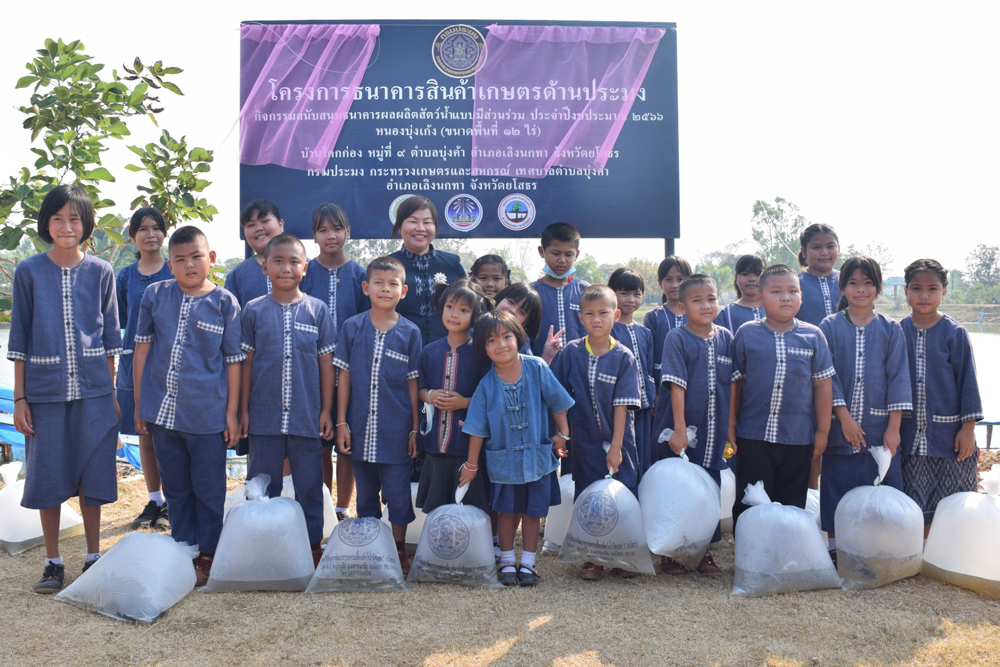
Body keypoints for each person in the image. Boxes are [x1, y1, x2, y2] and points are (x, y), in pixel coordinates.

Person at [9, 185, 123, 593]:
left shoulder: (101, 272)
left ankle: (93, 556)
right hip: (44, 393)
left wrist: (110, 393)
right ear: (46, 223)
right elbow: (19, 337)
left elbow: (111, 336)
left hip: (94, 391)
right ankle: (53, 562)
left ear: (86, 224)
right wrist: (20, 398)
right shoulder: (28, 271)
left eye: (75, 218)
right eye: (58, 218)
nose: (66, 226)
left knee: (93, 471)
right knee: (48, 475)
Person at [133, 226, 244, 586]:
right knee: (176, 487)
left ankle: (210, 555)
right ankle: (183, 548)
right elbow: (143, 350)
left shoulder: (225, 302)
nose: (189, 265)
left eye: (196, 256)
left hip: (208, 414)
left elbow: (233, 362)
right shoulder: (154, 296)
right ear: (170, 264)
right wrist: (139, 404)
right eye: (179, 259)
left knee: (209, 488)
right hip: (163, 413)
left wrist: (232, 414)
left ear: (211, 259)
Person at [239, 234, 337, 567]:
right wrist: (242, 411)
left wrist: (326, 410)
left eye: (294, 261)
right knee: (262, 488)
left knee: (310, 485)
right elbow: (246, 364)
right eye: (277, 261)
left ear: (305, 268)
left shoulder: (317, 311)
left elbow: (326, 363)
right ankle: (262, 545)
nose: (286, 268)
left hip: (306, 418)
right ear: (265, 266)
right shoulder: (252, 311)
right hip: (263, 418)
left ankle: (311, 547)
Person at [461, 311, 574, 587]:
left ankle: (528, 563)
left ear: (518, 338)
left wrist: (563, 435)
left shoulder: (537, 367)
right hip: (504, 463)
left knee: (534, 513)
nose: (501, 344)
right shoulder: (486, 385)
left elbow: (558, 402)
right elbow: (477, 428)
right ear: (483, 348)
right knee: (507, 512)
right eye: (491, 340)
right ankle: (508, 561)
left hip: (537, 459)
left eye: (507, 336)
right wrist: (471, 465)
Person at [818, 257, 911, 565]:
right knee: (837, 483)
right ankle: (835, 547)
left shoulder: (890, 328)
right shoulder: (829, 327)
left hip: (879, 426)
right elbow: (826, 374)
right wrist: (843, 417)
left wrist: (893, 428)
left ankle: (876, 547)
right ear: (842, 287)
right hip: (837, 424)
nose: (861, 289)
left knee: (880, 482)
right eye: (853, 283)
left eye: (868, 282)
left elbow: (898, 377)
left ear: (878, 287)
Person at [334, 256, 422, 575]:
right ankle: (372, 549)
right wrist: (341, 422)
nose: (386, 289)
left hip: (395, 432)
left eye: (393, 284)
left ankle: (398, 551)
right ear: (366, 287)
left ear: (404, 290)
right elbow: (343, 376)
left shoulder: (410, 333)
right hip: (358, 428)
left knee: (398, 495)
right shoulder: (352, 327)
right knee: (366, 495)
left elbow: (413, 383)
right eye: (379, 283)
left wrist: (414, 428)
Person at [728, 265, 835, 525]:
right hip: (753, 435)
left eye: (792, 291)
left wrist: (822, 431)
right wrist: (731, 425)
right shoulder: (747, 333)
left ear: (801, 296)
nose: (786, 297)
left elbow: (822, 385)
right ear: (760, 298)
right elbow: (736, 383)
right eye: (776, 291)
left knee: (791, 503)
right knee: (751, 499)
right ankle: (751, 558)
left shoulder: (813, 335)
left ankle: (784, 558)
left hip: (797, 437)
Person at [550, 285, 641, 581]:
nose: (596, 319)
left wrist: (616, 447)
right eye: (589, 313)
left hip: (620, 441)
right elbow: (558, 396)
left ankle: (621, 555)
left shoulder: (624, 356)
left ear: (616, 315)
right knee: (587, 495)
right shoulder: (572, 353)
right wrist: (562, 433)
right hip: (584, 441)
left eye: (603, 313)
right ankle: (591, 557)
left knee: (622, 494)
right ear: (580, 317)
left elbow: (622, 406)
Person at [653, 274, 733, 575]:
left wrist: (731, 431)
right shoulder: (678, 337)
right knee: (677, 489)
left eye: (711, 298)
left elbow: (733, 385)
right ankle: (671, 551)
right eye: (697, 300)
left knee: (708, 490)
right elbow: (676, 385)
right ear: (682, 307)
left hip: (715, 433)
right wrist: (679, 428)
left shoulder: (726, 337)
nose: (706, 305)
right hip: (682, 430)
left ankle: (703, 552)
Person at [899, 259, 983, 540]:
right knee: (913, 496)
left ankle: (948, 551)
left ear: (944, 292)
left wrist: (968, 428)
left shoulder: (954, 333)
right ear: (905, 291)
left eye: (932, 288)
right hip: (908, 435)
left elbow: (967, 383)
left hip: (948, 435)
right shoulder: (897, 331)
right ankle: (919, 551)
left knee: (952, 498)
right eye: (917, 288)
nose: (924, 295)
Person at [300, 203, 368, 521]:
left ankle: (342, 509)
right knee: (321, 442)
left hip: (352, 371)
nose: (331, 236)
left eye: (337, 228)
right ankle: (324, 508)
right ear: (313, 235)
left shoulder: (360, 275)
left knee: (348, 442)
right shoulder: (304, 272)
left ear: (348, 232)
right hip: (311, 372)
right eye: (323, 230)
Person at [116, 207, 173, 531]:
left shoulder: (175, 267)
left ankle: (175, 500)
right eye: (143, 228)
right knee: (145, 432)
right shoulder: (125, 276)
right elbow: (122, 321)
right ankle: (155, 499)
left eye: (156, 228)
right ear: (133, 236)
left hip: (171, 363)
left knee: (170, 435)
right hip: (135, 362)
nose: (150, 234)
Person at [416, 279, 493, 515]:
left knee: (469, 508)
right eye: (450, 306)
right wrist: (430, 395)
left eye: (464, 310)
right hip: (435, 446)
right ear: (441, 306)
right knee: (437, 508)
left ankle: (470, 550)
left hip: (467, 444)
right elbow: (419, 388)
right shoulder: (429, 351)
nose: (454, 314)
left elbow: (490, 396)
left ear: (475, 314)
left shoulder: (481, 353)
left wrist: (464, 402)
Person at [389, 196, 466, 345]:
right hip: (399, 349)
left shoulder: (452, 263)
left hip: (446, 351)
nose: (420, 228)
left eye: (427, 222)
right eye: (413, 221)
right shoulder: (387, 266)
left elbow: (469, 307)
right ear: (399, 226)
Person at [609, 268, 656, 477]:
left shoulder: (645, 332)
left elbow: (649, 368)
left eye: (636, 294)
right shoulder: (608, 330)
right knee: (622, 452)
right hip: (619, 406)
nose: (631, 299)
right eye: (624, 293)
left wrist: (654, 397)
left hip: (644, 404)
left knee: (642, 453)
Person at [530, 222, 590, 357]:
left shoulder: (585, 290)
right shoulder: (530, 292)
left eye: (569, 254)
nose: (562, 260)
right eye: (555, 253)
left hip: (580, 370)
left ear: (577, 255)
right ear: (541, 252)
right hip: (542, 369)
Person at [224, 199, 284, 308]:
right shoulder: (236, 275)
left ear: (281, 225)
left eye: (265, 221)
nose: (259, 228)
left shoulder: (305, 266)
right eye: (251, 225)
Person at [643, 255, 691, 387]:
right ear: (660, 283)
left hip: (694, 383)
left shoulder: (696, 314)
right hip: (662, 384)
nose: (675, 285)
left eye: (680, 279)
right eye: (668, 279)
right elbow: (649, 357)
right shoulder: (653, 317)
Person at [495, 282, 562, 362]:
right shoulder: (477, 328)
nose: (513, 311)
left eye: (522, 312)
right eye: (511, 302)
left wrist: (547, 356)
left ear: (525, 323)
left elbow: (531, 374)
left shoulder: (522, 346)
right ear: (501, 297)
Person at [797, 223, 841, 327]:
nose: (824, 252)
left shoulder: (849, 282)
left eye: (830, 246)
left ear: (838, 249)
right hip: (807, 342)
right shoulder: (794, 284)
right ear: (804, 252)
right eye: (816, 247)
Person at [716, 254, 765, 333]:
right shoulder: (726, 314)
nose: (751, 279)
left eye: (757, 274)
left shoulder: (775, 310)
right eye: (745, 274)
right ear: (736, 278)